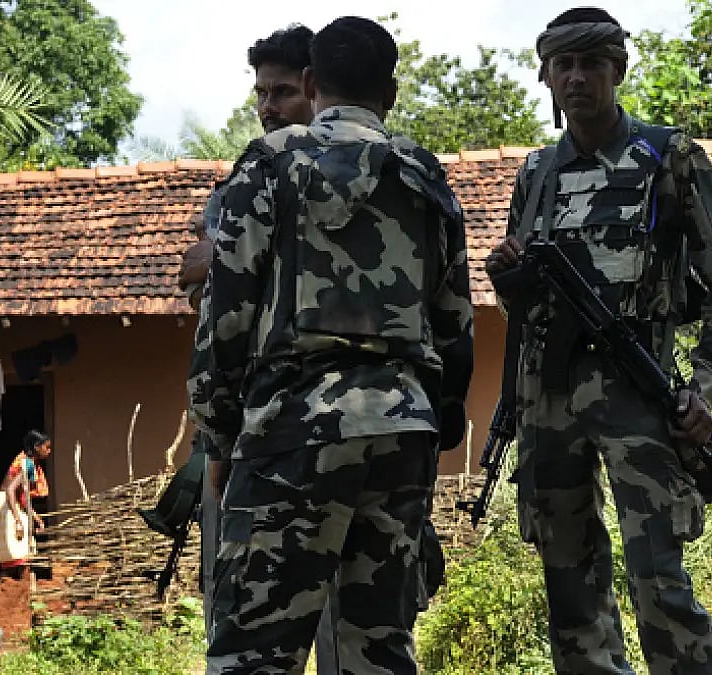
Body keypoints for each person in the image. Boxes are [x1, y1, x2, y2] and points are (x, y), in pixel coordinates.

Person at [188, 16, 473, 675]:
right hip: (404, 431)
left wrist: (220, 435)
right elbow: (455, 318)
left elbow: (225, 315)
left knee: (254, 651)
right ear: (392, 93)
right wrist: (441, 415)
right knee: (377, 649)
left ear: (312, 83)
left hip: (295, 425)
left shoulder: (274, 159)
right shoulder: (424, 173)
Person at [485, 7, 712, 674]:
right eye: (563, 65)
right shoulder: (535, 174)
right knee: (569, 582)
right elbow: (524, 303)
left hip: (639, 394)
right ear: (545, 76)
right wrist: (503, 275)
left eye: (591, 63)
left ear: (618, 71)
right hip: (548, 402)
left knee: (658, 576)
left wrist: (704, 392)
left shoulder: (667, 156)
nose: (576, 78)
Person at [0, 430, 52, 579]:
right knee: (19, 556)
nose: (49, 451)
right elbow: (11, 490)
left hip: (10, 504)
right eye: (46, 447)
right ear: (37, 447)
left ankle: (19, 595)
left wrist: (35, 517)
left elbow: (23, 497)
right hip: (6, 505)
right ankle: (12, 595)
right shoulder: (27, 463)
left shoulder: (30, 463)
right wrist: (18, 521)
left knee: (23, 554)